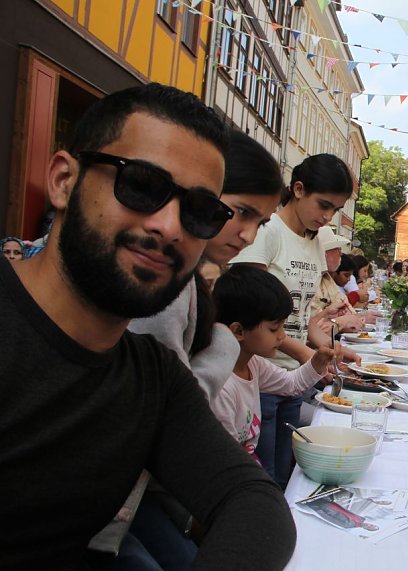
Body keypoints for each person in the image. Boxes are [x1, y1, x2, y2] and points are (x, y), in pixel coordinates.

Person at [0, 83, 293, 569]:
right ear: (63, 180)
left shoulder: (152, 377)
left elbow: (254, 501)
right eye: (141, 185)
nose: (169, 226)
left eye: (200, 212)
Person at [117, 127, 285, 569]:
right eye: (241, 213)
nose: (248, 235)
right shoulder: (168, 286)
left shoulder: (189, 282)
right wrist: (225, 346)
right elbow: (166, 409)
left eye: (260, 224)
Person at [230, 153, 354, 488]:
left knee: (286, 472)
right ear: (298, 189)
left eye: (335, 210)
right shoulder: (268, 232)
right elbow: (248, 308)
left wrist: (321, 340)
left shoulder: (313, 240)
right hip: (260, 371)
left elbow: (302, 312)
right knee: (263, 475)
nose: (327, 217)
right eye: (323, 205)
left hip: (292, 376)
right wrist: (304, 353)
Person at [211, 265, 336, 457]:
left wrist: (318, 361)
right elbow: (223, 459)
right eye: (274, 328)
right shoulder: (222, 387)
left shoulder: (253, 364)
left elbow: (291, 384)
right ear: (238, 331)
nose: (282, 336)